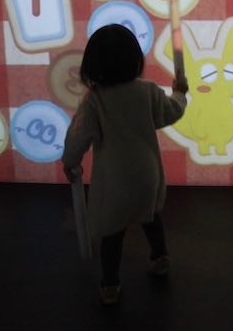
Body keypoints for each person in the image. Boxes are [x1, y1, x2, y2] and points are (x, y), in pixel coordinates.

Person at [61, 24, 189, 306]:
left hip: (114, 181)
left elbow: (78, 136)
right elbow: (172, 111)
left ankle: (110, 284)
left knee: (112, 232)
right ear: (135, 60)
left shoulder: (95, 101)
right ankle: (160, 258)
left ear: (92, 65)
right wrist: (180, 93)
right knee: (150, 216)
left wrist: (70, 162)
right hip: (147, 175)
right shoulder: (148, 91)